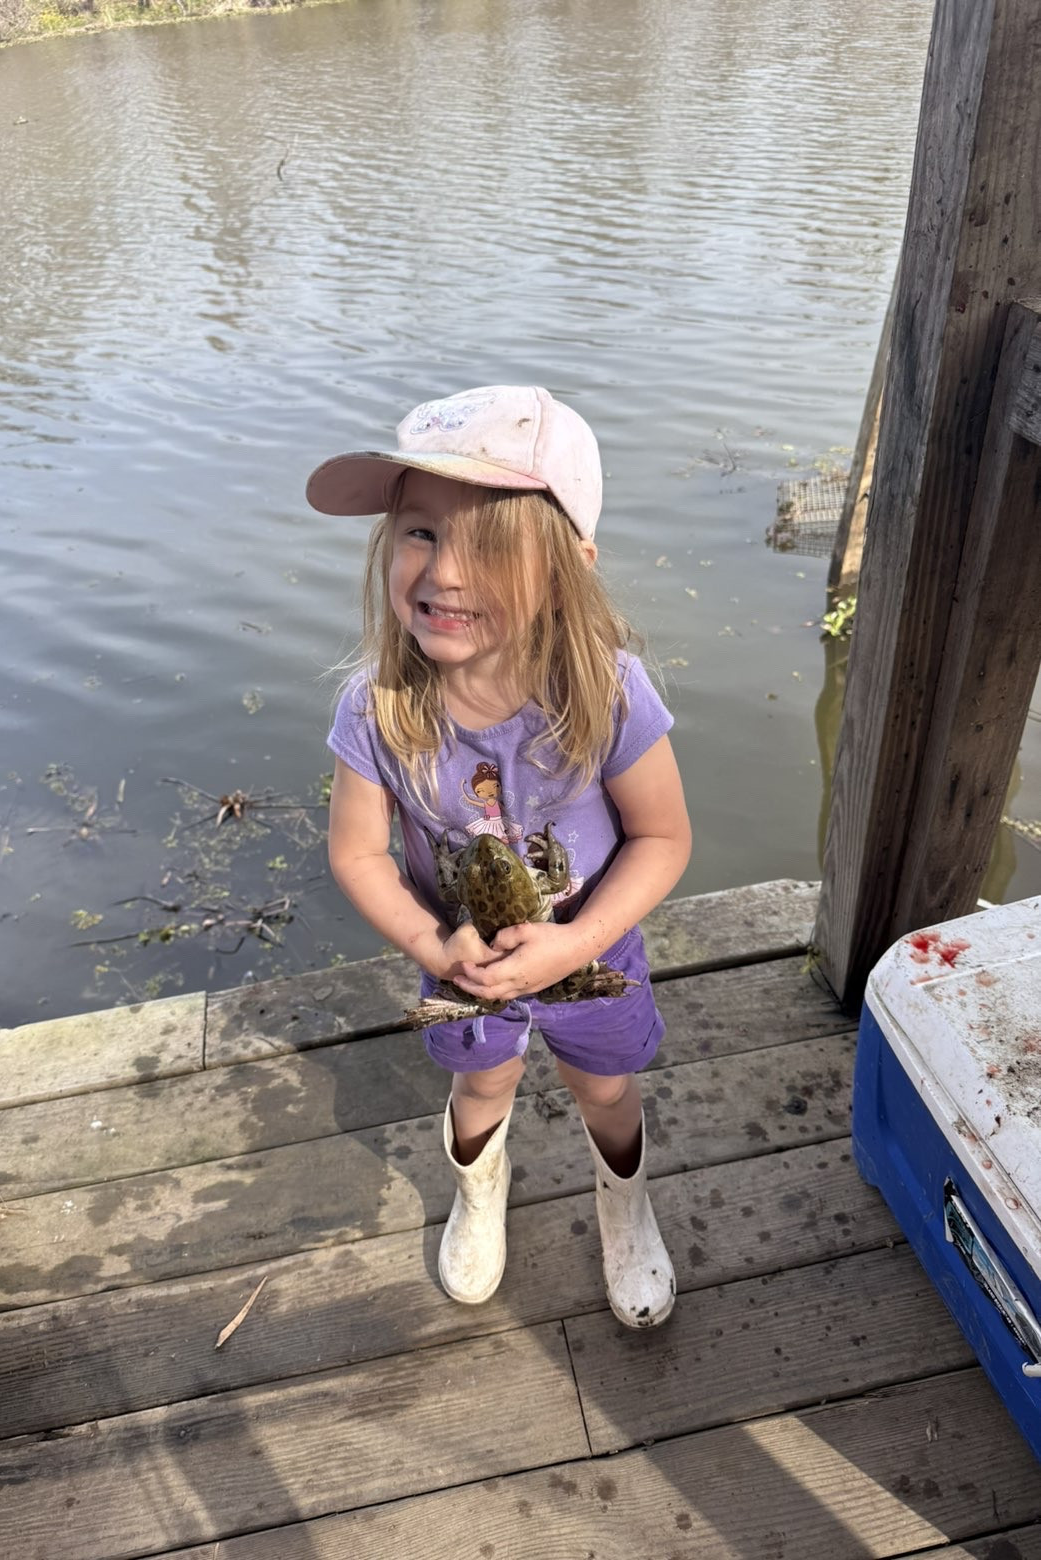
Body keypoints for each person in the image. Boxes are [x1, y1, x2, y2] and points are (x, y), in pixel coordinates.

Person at [308, 385, 691, 1328]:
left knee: (605, 1087)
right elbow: (358, 854)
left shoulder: (606, 692)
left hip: (593, 949)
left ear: (564, 570)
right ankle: (480, 1195)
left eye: (488, 545)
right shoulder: (376, 709)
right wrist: (432, 947)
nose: (444, 572)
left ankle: (624, 1205)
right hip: (463, 962)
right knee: (481, 1082)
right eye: (421, 531)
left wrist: (575, 944)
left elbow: (663, 837)